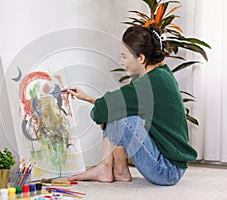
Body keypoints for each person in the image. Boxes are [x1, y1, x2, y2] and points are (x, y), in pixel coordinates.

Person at [66, 25, 197, 186]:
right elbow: (110, 104)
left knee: (119, 114)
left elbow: (101, 111)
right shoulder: (161, 74)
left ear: (140, 58)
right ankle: (116, 170)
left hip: (166, 171)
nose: (121, 61)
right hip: (172, 167)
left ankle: (107, 167)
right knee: (118, 109)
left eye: (124, 56)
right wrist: (87, 98)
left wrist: (102, 113)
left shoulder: (148, 85)